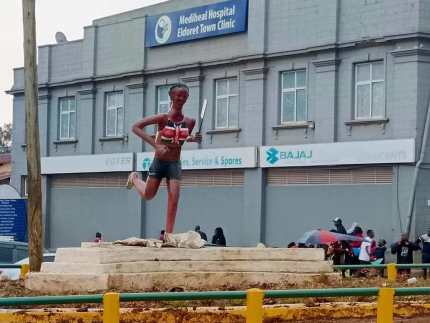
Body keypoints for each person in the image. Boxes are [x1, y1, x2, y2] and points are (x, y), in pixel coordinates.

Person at [126, 84, 202, 243]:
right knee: (148, 195)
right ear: (171, 95)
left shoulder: (190, 122)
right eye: (178, 95)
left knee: (174, 196)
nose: (181, 98)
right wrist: (156, 146)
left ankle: (169, 235)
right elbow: (136, 127)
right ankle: (134, 178)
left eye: (184, 95)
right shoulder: (162, 118)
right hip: (159, 162)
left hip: (175, 163)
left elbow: (178, 138)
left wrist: (191, 139)